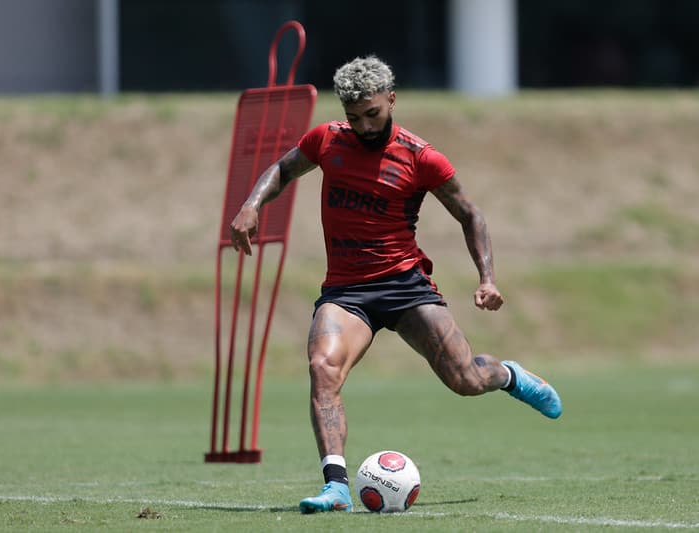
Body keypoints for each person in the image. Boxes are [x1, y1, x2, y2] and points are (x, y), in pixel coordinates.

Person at [229, 55, 562, 514]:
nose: (364, 126)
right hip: (347, 292)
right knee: (323, 368)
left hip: (406, 286)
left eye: (372, 114)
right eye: (354, 117)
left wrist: (487, 278)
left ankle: (509, 375)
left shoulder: (421, 157)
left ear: (391, 99)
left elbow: (470, 214)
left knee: (465, 380)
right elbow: (283, 169)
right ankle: (336, 488)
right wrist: (251, 205)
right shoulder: (327, 140)